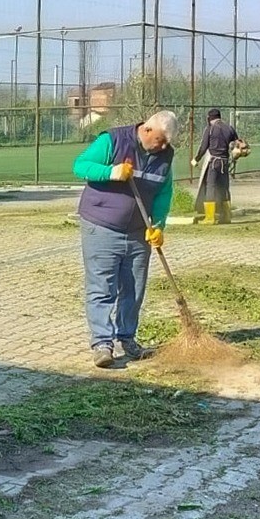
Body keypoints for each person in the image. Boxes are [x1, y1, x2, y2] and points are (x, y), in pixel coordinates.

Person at [72, 111, 178, 369]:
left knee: (134, 288)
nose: (163, 147)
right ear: (147, 130)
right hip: (102, 226)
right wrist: (112, 171)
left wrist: (158, 225)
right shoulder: (113, 140)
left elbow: (164, 192)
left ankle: (127, 338)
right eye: (161, 140)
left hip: (139, 232)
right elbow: (80, 166)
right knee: (102, 287)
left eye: (167, 143)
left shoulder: (165, 156)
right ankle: (102, 344)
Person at [191, 108, 241, 224]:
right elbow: (237, 144)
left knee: (211, 188)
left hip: (213, 162)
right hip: (225, 162)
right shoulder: (229, 128)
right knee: (224, 188)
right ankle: (226, 217)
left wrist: (196, 159)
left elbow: (203, 147)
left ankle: (210, 218)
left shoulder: (210, 129)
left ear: (209, 118)